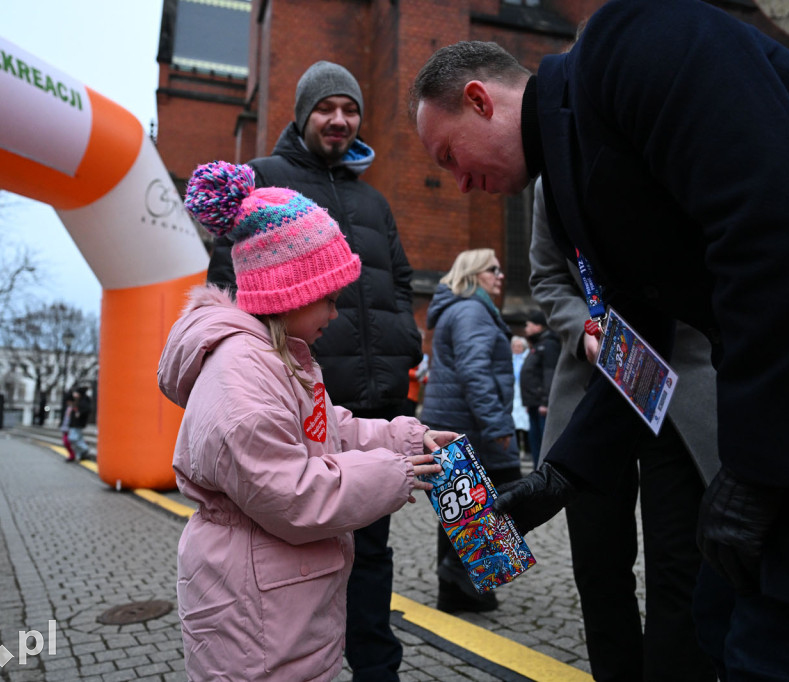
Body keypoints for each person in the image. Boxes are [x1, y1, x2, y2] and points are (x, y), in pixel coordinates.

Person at [410, 2, 789, 677]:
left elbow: (783, 240)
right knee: (718, 610)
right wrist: (559, 477)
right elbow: (641, 342)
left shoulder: (635, 40)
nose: (459, 182)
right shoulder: (568, 184)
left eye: (450, 156)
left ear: (479, 100)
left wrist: (757, 470)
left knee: (779, 639)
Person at [161, 160, 451, 681]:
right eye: (330, 300)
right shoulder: (242, 375)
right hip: (256, 616)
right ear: (288, 293)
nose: (336, 316)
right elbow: (292, 493)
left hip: (276, 600)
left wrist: (409, 438)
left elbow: (327, 429)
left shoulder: (277, 358)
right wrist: (397, 473)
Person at [207, 60, 424, 680]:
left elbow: (402, 279)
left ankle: (376, 671)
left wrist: (404, 340)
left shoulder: (374, 198)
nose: (339, 119)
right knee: (304, 556)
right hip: (302, 407)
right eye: (326, 107)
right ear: (303, 114)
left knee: (373, 559)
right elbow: (228, 289)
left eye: (350, 109)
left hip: (376, 403)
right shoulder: (265, 179)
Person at [530, 176, 717, 681]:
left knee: (678, 569)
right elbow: (548, 278)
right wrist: (586, 332)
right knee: (598, 570)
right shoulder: (554, 181)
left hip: (680, 392)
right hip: (591, 394)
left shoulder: (669, 148)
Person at [420, 249, 523, 613]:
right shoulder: (472, 310)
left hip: (456, 424)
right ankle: (458, 574)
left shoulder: (461, 308)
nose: (500, 276)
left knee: (459, 507)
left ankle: (462, 592)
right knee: (511, 494)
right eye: (494, 269)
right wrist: (497, 423)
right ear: (475, 273)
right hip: (472, 428)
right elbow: (474, 370)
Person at [518, 310, 559, 468]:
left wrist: (545, 401)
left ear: (538, 326)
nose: (526, 329)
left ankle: (543, 473)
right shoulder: (538, 344)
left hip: (542, 405)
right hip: (534, 403)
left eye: (528, 325)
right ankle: (537, 471)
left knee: (543, 443)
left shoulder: (549, 345)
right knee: (534, 442)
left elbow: (549, 374)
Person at [509, 336, 529, 458]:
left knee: (525, 424)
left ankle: (527, 450)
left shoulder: (526, 359)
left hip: (523, 394)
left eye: (519, 346)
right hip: (513, 395)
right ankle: (516, 449)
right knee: (514, 422)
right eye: (514, 346)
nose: (516, 348)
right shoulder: (509, 359)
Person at [68, 387, 92, 461]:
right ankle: (81, 454)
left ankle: (85, 449)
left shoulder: (84, 400)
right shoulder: (77, 400)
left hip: (78, 423)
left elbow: (87, 409)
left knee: (73, 438)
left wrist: (80, 413)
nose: (74, 394)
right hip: (74, 423)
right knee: (78, 438)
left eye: (76, 393)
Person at [59, 394, 77, 462]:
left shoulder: (74, 408)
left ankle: (73, 455)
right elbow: (66, 418)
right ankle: (72, 455)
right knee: (65, 441)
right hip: (66, 428)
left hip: (70, 428)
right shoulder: (68, 408)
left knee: (67, 441)